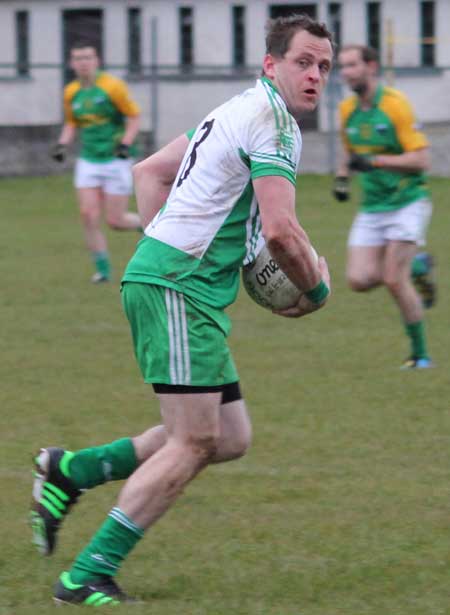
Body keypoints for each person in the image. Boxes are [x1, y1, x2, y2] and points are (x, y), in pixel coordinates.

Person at [31, 15, 333, 605]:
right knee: (194, 440)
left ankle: (72, 471)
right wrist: (316, 293)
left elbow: (149, 172)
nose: (316, 75)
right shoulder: (273, 123)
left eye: (323, 65)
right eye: (304, 62)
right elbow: (281, 231)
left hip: (177, 281)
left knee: (228, 436)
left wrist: (163, 240)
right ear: (272, 65)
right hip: (178, 286)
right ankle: (87, 573)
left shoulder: (233, 109)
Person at [333, 45, 436, 369]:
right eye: (343, 66)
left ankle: (420, 355)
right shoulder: (347, 109)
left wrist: (376, 161)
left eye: (352, 65)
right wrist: (341, 177)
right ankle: (418, 266)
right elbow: (348, 150)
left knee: (393, 279)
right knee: (358, 279)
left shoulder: (395, 105)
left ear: (371, 66)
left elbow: (422, 160)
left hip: (407, 201)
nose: (345, 72)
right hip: (373, 206)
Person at [51, 42, 142, 283]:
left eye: (88, 57)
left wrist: (125, 143)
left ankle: (150, 225)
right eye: (78, 58)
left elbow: (133, 116)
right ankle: (102, 271)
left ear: (96, 61)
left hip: (115, 159)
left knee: (116, 220)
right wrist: (62, 144)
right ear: (72, 64)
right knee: (88, 215)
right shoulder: (71, 91)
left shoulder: (112, 87)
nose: (83, 62)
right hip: (88, 160)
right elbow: (72, 122)